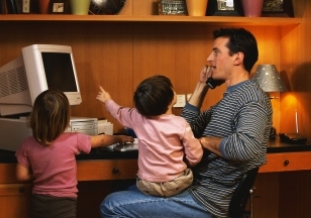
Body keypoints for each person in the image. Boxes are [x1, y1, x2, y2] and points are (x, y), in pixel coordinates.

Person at [99, 28, 272, 218]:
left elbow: (246, 147)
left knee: (111, 205)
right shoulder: (230, 98)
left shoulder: (252, 99)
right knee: (118, 185)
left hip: (207, 201)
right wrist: (202, 86)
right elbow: (186, 125)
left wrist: (204, 142)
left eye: (216, 52)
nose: (209, 58)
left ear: (237, 58)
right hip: (193, 187)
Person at [15, 89, 134, 218]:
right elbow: (101, 140)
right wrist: (119, 138)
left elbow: (21, 176)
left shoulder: (27, 144)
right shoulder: (74, 139)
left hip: (39, 203)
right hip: (64, 203)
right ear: (65, 118)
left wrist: (40, 172)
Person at [96, 75, 203, 197]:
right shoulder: (180, 124)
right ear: (171, 98)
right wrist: (188, 162)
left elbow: (119, 112)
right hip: (176, 184)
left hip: (147, 185)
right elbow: (195, 155)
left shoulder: (137, 117)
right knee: (189, 175)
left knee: (118, 185)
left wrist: (107, 100)